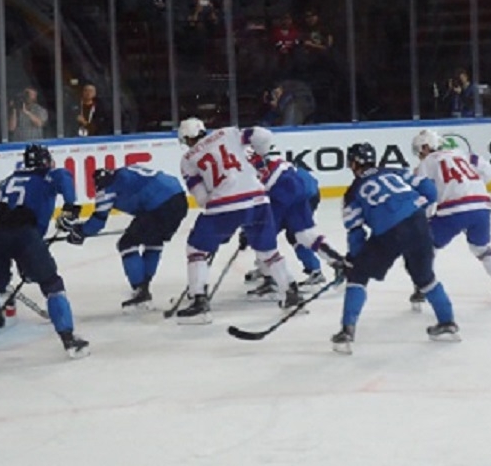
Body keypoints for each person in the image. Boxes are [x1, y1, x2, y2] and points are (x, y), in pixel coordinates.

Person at [332, 142, 460, 354]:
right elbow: (429, 188)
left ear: (353, 163)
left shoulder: (351, 193)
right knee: (424, 276)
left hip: (388, 234)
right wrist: (420, 205)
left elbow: (356, 233)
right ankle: (447, 322)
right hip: (418, 223)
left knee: (358, 277)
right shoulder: (396, 171)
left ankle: (347, 330)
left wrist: (355, 260)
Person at [0, 144, 89, 359]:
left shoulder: (7, 181)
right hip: (24, 235)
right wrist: (70, 207)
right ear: (44, 161)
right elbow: (64, 177)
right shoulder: (48, 176)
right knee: (51, 283)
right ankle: (69, 339)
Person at [176, 118, 302, 323]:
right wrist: (260, 154)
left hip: (224, 204)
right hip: (258, 200)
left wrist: (217, 217)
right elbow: (264, 135)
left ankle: (199, 302)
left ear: (186, 139)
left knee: (196, 250)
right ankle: (291, 293)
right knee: (268, 251)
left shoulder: (188, 159)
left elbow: (201, 198)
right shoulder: (227, 132)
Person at [409, 130, 491, 306]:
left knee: (425, 246)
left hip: (453, 210)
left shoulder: (427, 163)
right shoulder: (462, 154)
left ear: (427, 146)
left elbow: (424, 193)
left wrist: (424, 219)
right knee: (480, 247)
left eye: (420, 150)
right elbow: (487, 171)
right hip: (482, 207)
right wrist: (473, 186)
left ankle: (421, 287)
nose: (420, 154)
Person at [67, 165, 188, 309]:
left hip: (158, 206)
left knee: (127, 244)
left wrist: (80, 232)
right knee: (154, 240)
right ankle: (144, 286)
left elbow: (98, 223)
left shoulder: (106, 190)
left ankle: (140, 291)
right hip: (179, 198)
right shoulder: (127, 171)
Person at [245, 152, 341, 296]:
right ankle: (269, 270)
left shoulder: (246, 168)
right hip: (296, 189)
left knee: (283, 235)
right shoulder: (255, 158)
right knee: (266, 234)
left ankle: (313, 272)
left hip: (296, 194)